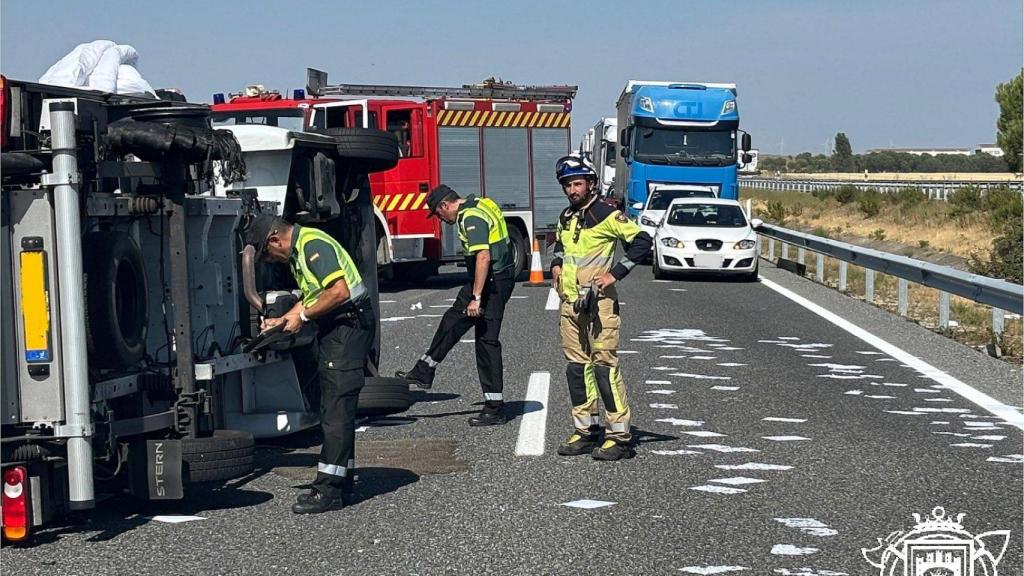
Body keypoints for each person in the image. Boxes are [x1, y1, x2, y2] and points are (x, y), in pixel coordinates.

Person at [244, 213, 374, 513]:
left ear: (275, 239)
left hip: (348, 325)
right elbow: (315, 294)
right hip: (341, 326)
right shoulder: (302, 248)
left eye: (267, 253)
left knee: (335, 406)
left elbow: (338, 292)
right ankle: (342, 481)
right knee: (334, 405)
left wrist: (301, 318)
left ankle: (328, 490)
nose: (271, 259)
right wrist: (286, 318)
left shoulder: (312, 245)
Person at [549, 155, 653, 461]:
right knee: (576, 369)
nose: (572, 190)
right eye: (567, 185)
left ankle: (619, 436)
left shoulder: (607, 214)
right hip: (570, 303)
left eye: (577, 183)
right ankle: (586, 431)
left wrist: (613, 274)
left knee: (604, 368)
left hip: (599, 305)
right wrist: (555, 267)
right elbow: (561, 246)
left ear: (590, 184)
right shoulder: (567, 216)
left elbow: (642, 241)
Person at [396, 185, 514, 426]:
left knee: (486, 341)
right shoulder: (481, 203)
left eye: (439, 214)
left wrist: (477, 297)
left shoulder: (470, 217)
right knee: (453, 319)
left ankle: (494, 408)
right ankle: (424, 369)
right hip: (493, 278)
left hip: (492, 282)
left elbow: (483, 255)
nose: (440, 219)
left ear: (445, 206)